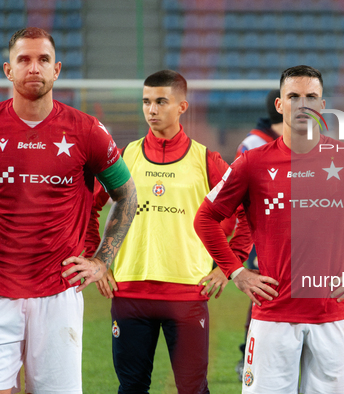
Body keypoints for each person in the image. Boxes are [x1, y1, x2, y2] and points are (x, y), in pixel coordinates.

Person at [195, 65, 344, 394]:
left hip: (333, 316)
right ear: (280, 106)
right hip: (272, 317)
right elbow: (205, 218)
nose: (302, 105)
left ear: (323, 106)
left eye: (311, 97)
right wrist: (236, 272)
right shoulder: (251, 163)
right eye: (293, 96)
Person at [87, 69, 252, 394]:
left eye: (161, 101)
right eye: (146, 101)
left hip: (188, 295)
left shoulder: (205, 160)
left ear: (182, 107)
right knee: (131, 388)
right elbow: (89, 207)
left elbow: (247, 209)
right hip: (130, 293)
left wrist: (229, 265)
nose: (152, 109)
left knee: (192, 388)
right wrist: (97, 260)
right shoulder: (125, 156)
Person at [0, 27, 137, 393]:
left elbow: (127, 195)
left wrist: (102, 260)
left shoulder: (86, 131)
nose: (34, 68)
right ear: (7, 70)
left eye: (43, 59)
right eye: (24, 60)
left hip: (58, 294)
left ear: (56, 70)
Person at [234, 88, 283, 380]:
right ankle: (248, 356)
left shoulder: (299, 142)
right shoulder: (253, 144)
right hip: (261, 236)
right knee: (263, 294)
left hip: (295, 236)